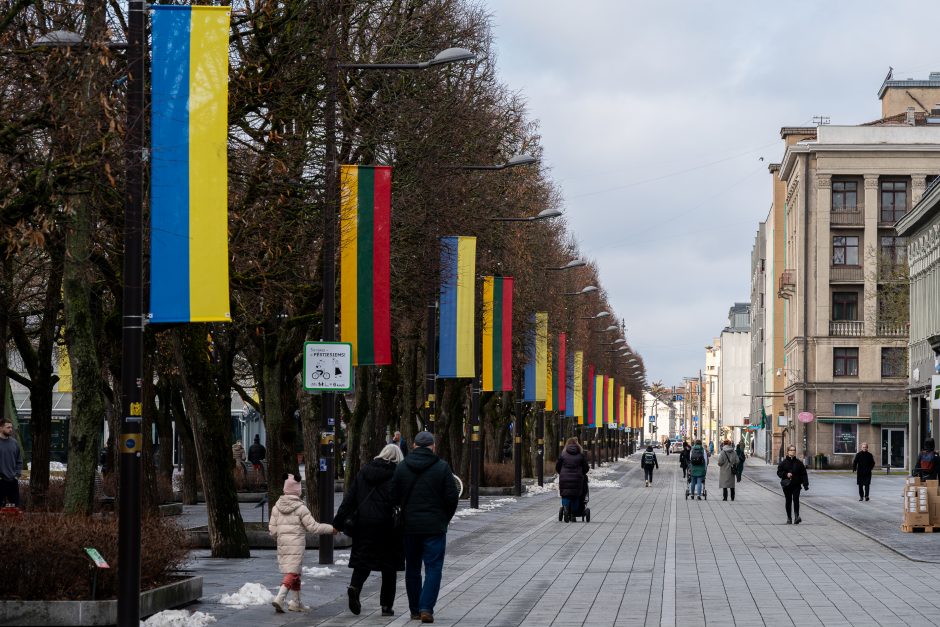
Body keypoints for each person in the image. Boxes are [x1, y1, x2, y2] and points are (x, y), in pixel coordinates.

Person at [392, 430, 459, 624]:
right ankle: (426, 608)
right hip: (434, 527)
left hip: (409, 527)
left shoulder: (402, 467)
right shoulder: (442, 467)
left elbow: (393, 496)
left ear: (413, 446)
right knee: (434, 567)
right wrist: (444, 518)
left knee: (412, 568)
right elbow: (452, 497)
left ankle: (414, 609)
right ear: (433, 447)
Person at [335, 444, 404, 617]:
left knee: (363, 560)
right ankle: (386, 606)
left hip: (364, 524)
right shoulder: (398, 475)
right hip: (389, 526)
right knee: (389, 567)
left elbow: (350, 499)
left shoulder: (364, 472)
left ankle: (354, 588)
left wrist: (338, 521)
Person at [269, 474, 338, 612]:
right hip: (296, 544)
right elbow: (313, 527)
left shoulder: (276, 507)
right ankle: (280, 598)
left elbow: (272, 530)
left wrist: (280, 536)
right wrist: (331, 529)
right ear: (298, 490)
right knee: (292, 572)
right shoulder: (301, 508)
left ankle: (296, 602)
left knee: (296, 572)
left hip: (282, 544)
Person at [556, 437, 589, 520]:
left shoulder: (563, 454)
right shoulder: (581, 455)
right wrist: (582, 473)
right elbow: (586, 468)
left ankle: (566, 508)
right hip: (577, 479)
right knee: (576, 495)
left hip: (564, 479)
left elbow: (558, 467)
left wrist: (562, 473)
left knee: (565, 494)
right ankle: (574, 511)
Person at [777, 445, 809, 524]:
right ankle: (789, 518)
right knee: (788, 501)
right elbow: (779, 472)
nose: (793, 451)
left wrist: (805, 484)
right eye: (791, 450)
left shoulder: (799, 463)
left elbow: (804, 474)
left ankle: (796, 517)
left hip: (796, 485)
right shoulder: (783, 463)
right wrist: (786, 474)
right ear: (787, 451)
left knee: (796, 500)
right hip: (787, 485)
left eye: (794, 450)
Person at [0, 418, 22, 508]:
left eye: (11, 427)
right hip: (0, 480)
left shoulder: (14, 443)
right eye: (8, 427)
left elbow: (19, 460)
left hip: (13, 480)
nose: (10, 429)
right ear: (1, 428)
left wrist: (17, 475)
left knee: (15, 507)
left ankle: (13, 522)